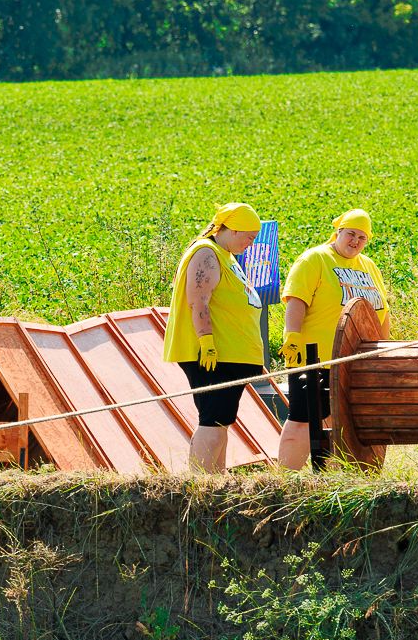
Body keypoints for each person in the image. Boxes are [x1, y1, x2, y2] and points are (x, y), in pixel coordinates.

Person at [276, 209, 391, 470]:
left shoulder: (369, 266)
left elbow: (382, 312)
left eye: (362, 237)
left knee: (340, 423)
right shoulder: (315, 259)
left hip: (354, 361)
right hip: (315, 357)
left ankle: (332, 478)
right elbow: (296, 300)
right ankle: (285, 480)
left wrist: (382, 351)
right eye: (350, 234)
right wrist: (292, 337)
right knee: (303, 420)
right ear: (338, 232)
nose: (355, 241)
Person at [164, 202, 266, 474]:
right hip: (215, 355)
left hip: (232, 355)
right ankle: (201, 485)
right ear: (233, 230)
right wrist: (206, 342)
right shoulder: (206, 253)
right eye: (249, 237)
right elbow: (198, 301)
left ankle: (216, 482)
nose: (250, 244)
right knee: (213, 420)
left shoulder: (225, 255)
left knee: (220, 422)